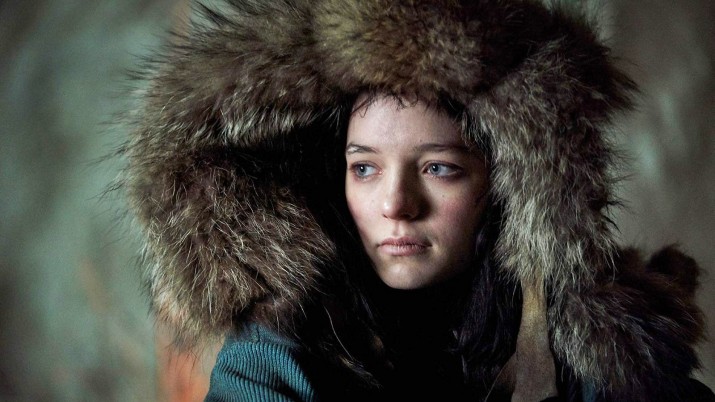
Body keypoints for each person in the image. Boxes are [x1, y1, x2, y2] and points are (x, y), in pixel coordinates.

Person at [124, 0, 714, 401]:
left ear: (503, 187)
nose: (397, 204)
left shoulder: (586, 353)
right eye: (364, 168)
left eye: (438, 168)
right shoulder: (275, 353)